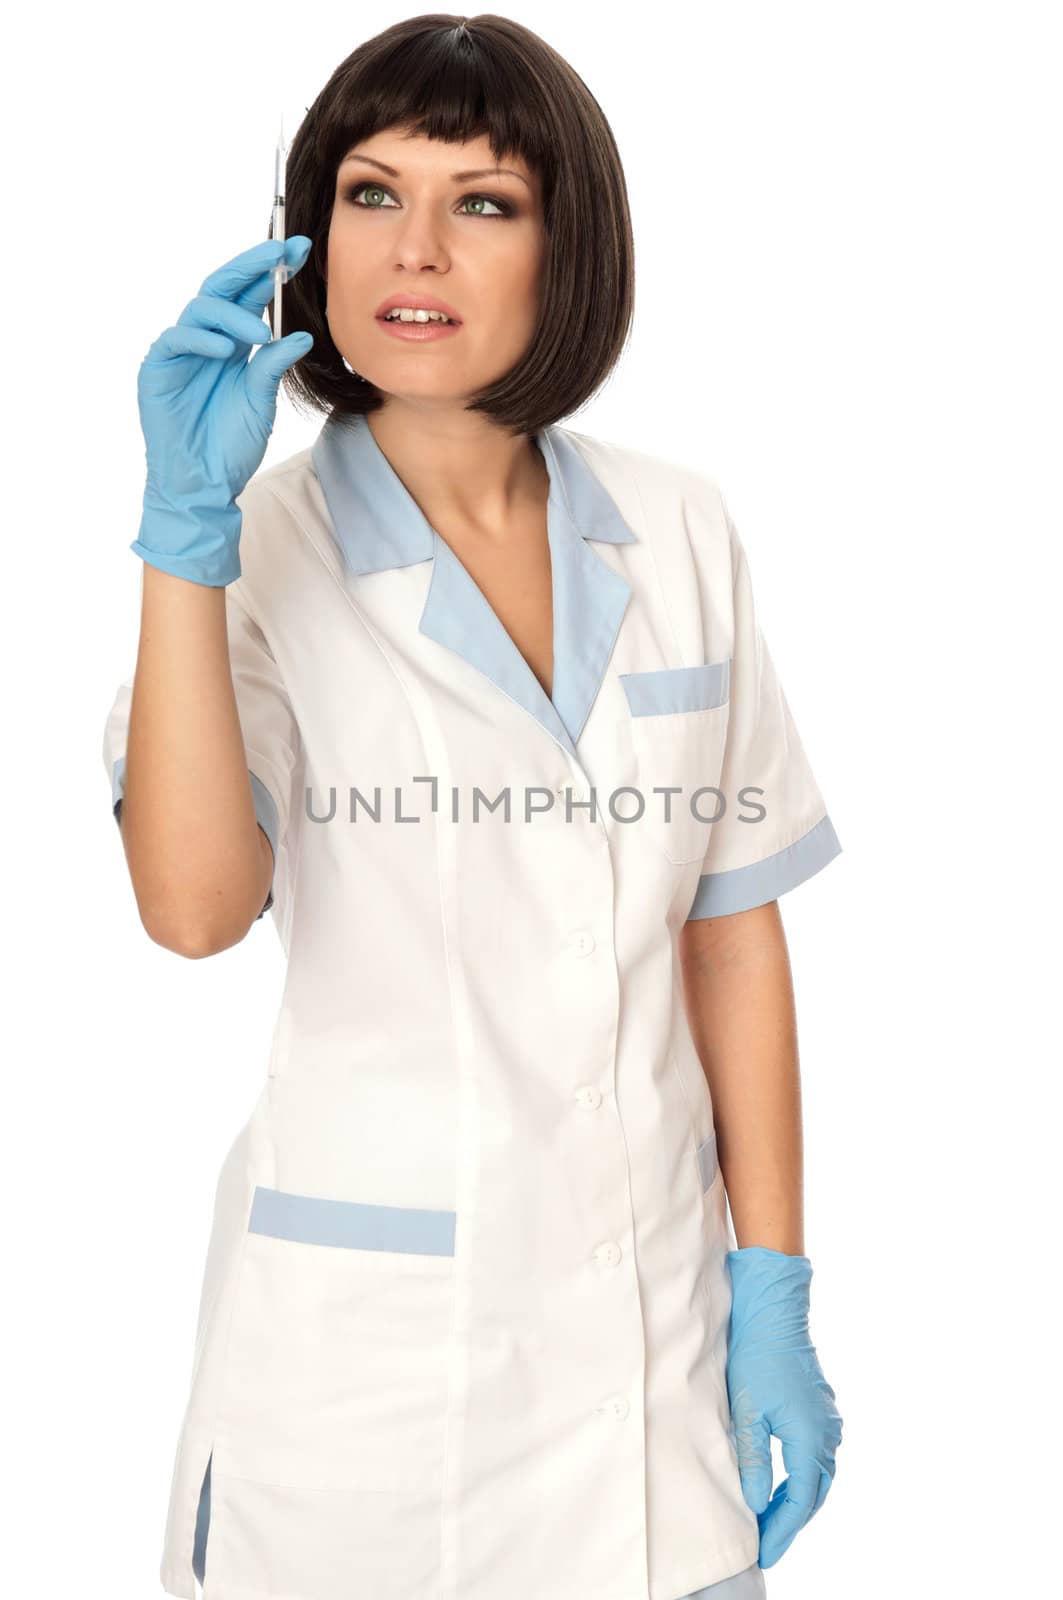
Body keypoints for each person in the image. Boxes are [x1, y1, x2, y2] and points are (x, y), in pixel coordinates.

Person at [102, 15, 844, 1600]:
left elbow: (731, 929)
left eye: (483, 201)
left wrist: (772, 1281)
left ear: (568, 244)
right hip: (370, 1405)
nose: (414, 248)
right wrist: (182, 533)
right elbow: (190, 910)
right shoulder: (256, 553)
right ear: (310, 238)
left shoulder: (679, 524)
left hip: (650, 1367)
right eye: (371, 196)